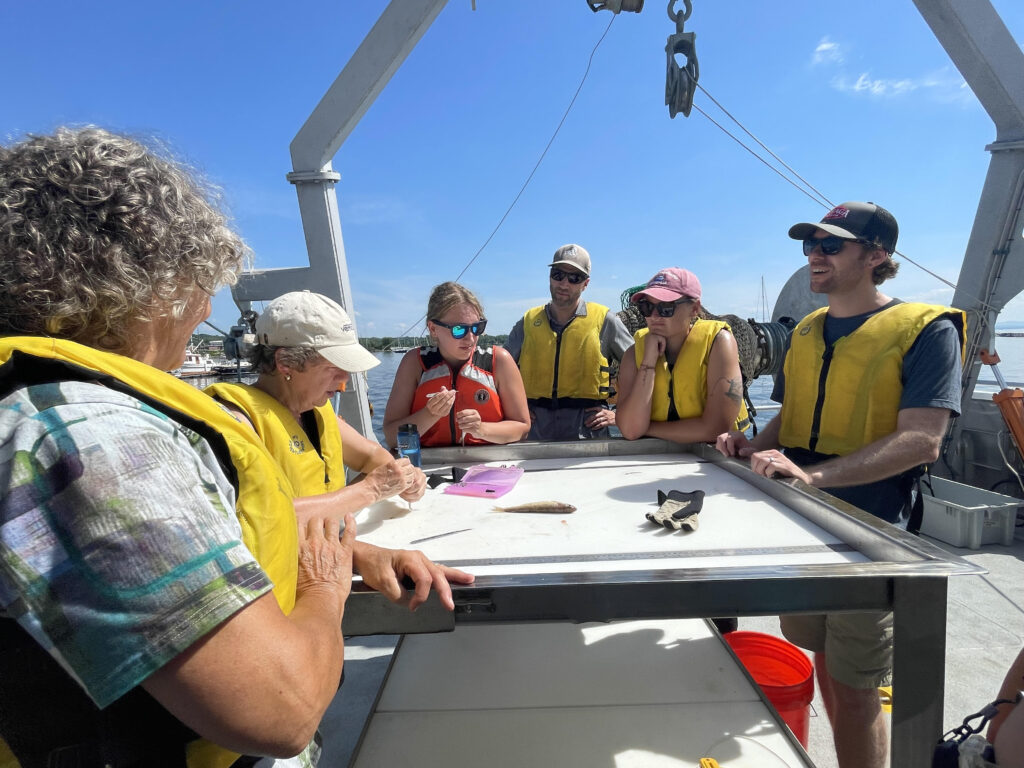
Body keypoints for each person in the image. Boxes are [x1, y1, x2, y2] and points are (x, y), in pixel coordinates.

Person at [0, 127, 472, 768]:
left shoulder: (32, 408)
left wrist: (355, 549)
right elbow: (282, 712)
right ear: (151, 284)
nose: (201, 313)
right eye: (198, 287)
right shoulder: (90, 439)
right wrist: (328, 583)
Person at [716, 201, 966, 768]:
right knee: (826, 661)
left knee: (856, 691)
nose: (814, 256)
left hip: (868, 535)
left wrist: (816, 476)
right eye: (810, 245)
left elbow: (923, 439)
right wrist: (752, 444)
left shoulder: (928, 332)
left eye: (831, 245)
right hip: (799, 528)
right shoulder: (805, 330)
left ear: (877, 256)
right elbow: (794, 413)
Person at [207, 290, 427, 524]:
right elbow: (264, 518)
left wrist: (405, 478)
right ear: (285, 363)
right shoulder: (236, 422)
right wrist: (370, 490)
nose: (346, 379)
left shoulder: (315, 410)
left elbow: (371, 455)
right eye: (334, 367)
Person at [505, 244, 633, 440]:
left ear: (585, 284)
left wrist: (620, 414)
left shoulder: (605, 320)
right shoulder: (528, 322)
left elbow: (642, 367)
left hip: (587, 430)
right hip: (534, 431)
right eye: (558, 274)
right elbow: (496, 372)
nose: (564, 284)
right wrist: (509, 409)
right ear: (550, 276)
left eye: (574, 278)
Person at [383, 281, 530, 447]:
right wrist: (430, 414)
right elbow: (390, 437)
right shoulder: (414, 363)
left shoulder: (499, 361)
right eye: (459, 329)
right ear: (433, 329)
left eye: (476, 328)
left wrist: (481, 429)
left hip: (487, 463)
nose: (470, 338)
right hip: (427, 463)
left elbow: (522, 428)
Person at [616, 267, 749, 442]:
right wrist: (648, 363)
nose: (654, 316)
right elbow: (631, 431)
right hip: (649, 462)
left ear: (694, 309)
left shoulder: (718, 342)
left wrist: (646, 427)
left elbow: (715, 429)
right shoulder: (634, 354)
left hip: (711, 461)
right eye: (646, 307)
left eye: (666, 307)